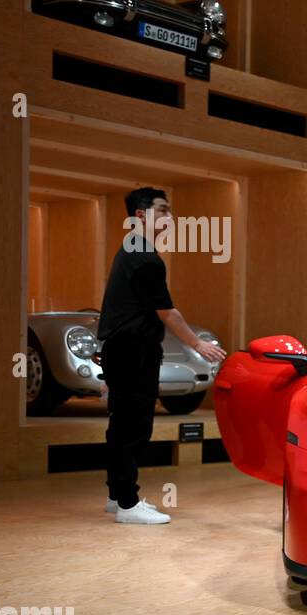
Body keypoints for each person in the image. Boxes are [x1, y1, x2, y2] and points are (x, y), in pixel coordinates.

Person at [99, 187, 228, 524]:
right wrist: (198, 345)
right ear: (141, 215)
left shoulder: (132, 249)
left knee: (125, 424)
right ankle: (127, 504)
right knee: (133, 426)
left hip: (123, 350)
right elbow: (167, 313)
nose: (170, 217)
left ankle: (117, 497)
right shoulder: (143, 255)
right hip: (132, 351)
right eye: (163, 210)